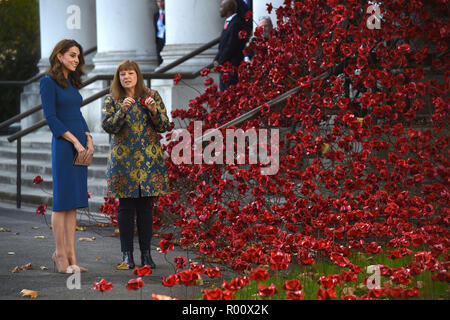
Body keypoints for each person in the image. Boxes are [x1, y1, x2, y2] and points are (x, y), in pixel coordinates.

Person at [101, 60, 170, 269]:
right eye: (122, 74)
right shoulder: (112, 99)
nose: (126, 77)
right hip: (123, 160)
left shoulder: (151, 96)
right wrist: (122, 110)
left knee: (146, 208)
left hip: (148, 160)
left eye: (130, 73)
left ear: (137, 75)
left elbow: (164, 125)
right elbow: (108, 126)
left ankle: (147, 255)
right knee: (126, 207)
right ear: (118, 78)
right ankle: (127, 255)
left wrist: (154, 111)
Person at [40, 39, 94, 274]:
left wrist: (88, 138)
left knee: (73, 204)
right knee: (62, 203)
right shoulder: (47, 82)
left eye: (78, 56)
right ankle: (60, 255)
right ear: (59, 56)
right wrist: (74, 141)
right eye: (72, 55)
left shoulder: (71, 83)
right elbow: (51, 118)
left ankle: (72, 256)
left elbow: (76, 114)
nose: (76, 60)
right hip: (64, 145)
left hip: (80, 144)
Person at [214, 0, 248, 91]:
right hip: (225, 67)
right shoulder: (229, 22)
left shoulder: (236, 23)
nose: (220, 9)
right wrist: (216, 58)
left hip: (232, 67)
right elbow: (223, 44)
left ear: (228, 8)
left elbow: (231, 46)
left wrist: (220, 61)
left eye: (221, 7)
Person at [154, 0, 166, 65]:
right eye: (158, 1)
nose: (160, 3)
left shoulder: (168, 13)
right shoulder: (156, 15)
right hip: (159, 38)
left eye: (161, 1)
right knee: (159, 57)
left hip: (166, 38)